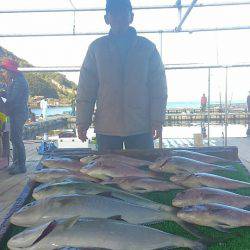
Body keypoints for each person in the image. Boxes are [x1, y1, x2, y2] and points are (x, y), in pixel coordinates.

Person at [76, 0, 167, 151]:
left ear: (131, 16)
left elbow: (158, 88)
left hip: (141, 128)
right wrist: (82, 122)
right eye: (114, 13)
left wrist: (157, 120)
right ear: (107, 19)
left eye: (123, 13)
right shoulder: (96, 49)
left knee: (143, 172)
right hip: (106, 128)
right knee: (107, 173)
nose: (119, 18)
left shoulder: (148, 48)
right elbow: (86, 89)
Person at [0, 58, 29, 174]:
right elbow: (8, 96)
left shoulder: (19, 82)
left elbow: (12, 100)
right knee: (14, 138)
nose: (3, 73)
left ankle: (21, 165)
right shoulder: (15, 80)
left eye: (4, 71)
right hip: (15, 113)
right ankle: (16, 163)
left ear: (10, 70)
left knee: (16, 139)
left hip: (18, 113)